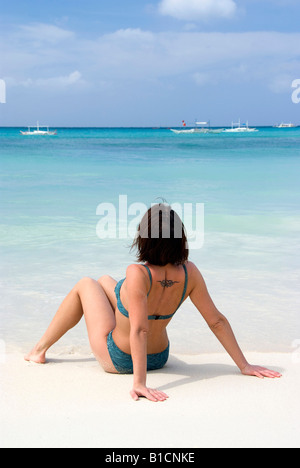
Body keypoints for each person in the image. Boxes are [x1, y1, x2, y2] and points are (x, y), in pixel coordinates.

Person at [25, 203, 281, 402]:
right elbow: (216, 320)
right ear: (180, 239)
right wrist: (244, 365)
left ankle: (38, 351)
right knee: (104, 280)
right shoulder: (190, 272)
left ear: (144, 239)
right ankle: (45, 347)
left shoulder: (138, 273)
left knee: (85, 284)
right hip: (160, 357)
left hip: (121, 360)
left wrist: (139, 383)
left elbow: (140, 329)